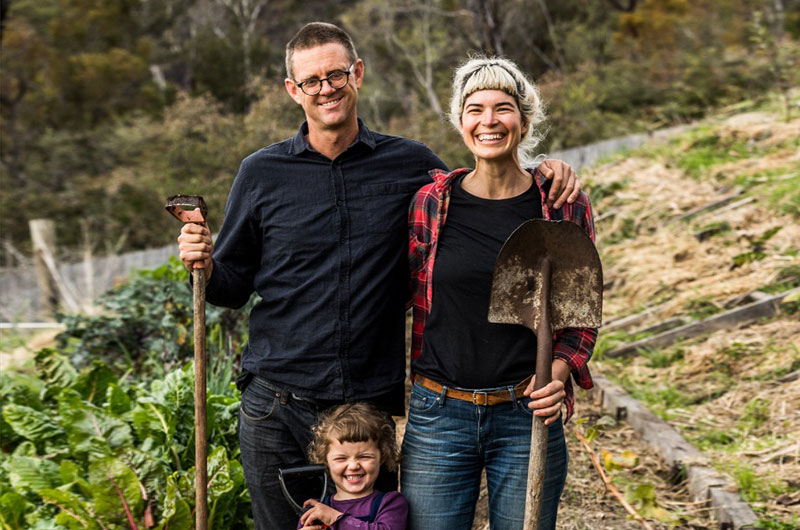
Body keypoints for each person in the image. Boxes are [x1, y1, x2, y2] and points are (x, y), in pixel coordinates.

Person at [177, 22, 581, 529]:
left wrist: (546, 169)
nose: (326, 88)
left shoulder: (412, 166)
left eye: (336, 74)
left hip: (365, 411)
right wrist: (204, 262)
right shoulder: (260, 173)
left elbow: (487, 182)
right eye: (311, 80)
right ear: (292, 90)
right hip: (277, 404)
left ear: (358, 74)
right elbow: (230, 287)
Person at [402, 56, 598, 530]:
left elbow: (581, 315)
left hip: (525, 414)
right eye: (475, 109)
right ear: (460, 122)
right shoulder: (431, 202)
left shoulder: (559, 206)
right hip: (438, 413)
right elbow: (397, 293)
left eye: (503, 108)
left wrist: (557, 372)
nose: (489, 120)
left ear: (524, 120)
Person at [298, 402, 407, 529]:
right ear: (325, 461)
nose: (353, 466)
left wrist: (335, 519)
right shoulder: (316, 512)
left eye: (364, 457)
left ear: (382, 456)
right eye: (341, 458)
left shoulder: (391, 504)